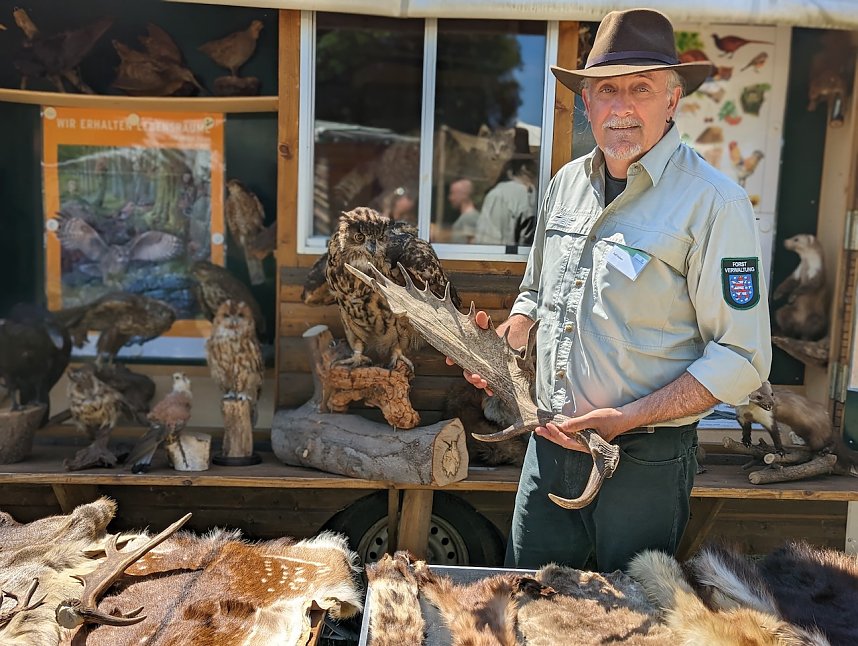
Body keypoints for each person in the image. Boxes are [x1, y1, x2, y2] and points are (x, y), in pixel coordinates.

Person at [448, 8, 771, 572]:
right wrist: (505, 344)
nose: (621, 107)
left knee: (631, 618)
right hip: (549, 447)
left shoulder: (714, 204)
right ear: (587, 102)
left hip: (644, 460)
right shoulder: (565, 184)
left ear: (672, 100)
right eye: (606, 90)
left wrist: (628, 417)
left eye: (640, 89)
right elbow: (535, 295)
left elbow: (742, 356)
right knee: (529, 600)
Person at [474, 128, 538, 245]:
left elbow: (487, 247)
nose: (496, 154)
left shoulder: (500, 195)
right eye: (491, 148)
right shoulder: (533, 192)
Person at [448, 178, 480, 243]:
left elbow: (472, 243)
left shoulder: (469, 217)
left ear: (463, 195)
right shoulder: (467, 217)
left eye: (453, 193)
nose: (450, 198)